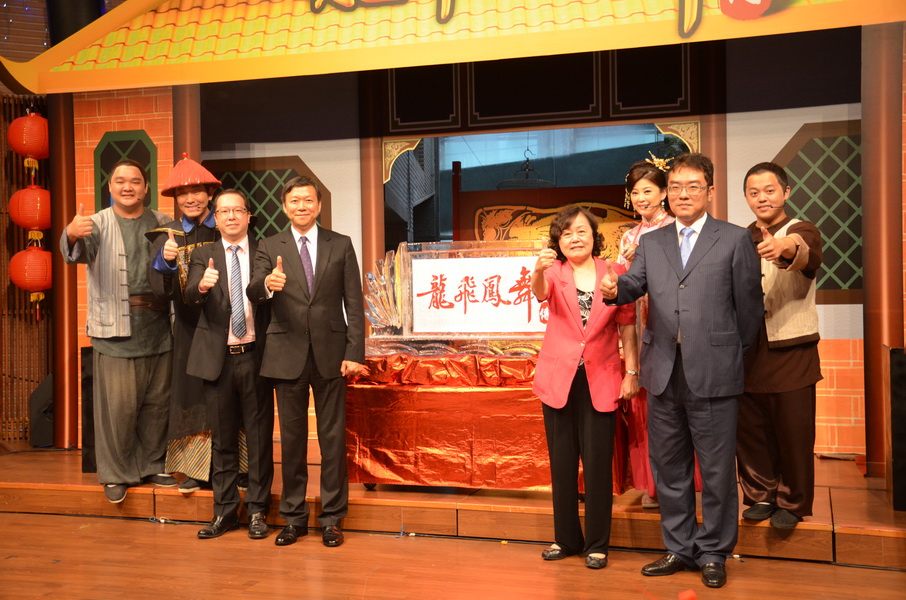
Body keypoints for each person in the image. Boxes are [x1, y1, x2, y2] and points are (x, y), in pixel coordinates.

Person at [600, 153, 762, 588]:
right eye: (675, 187)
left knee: (716, 471)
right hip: (662, 371)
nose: (683, 194)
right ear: (667, 194)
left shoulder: (733, 239)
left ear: (710, 190)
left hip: (715, 371)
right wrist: (615, 288)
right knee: (669, 467)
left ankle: (714, 552)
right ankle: (678, 547)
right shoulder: (652, 243)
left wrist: (730, 355)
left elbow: (749, 310)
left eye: (693, 186)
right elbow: (633, 284)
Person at [247, 175, 367, 548]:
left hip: (332, 354)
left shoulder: (340, 244)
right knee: (292, 442)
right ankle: (294, 518)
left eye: (308, 200)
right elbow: (253, 290)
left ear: (319, 205)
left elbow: (354, 303)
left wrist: (353, 353)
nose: (302, 206)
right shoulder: (270, 245)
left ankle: (332, 519)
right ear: (285, 207)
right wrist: (268, 284)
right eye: (295, 201)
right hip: (286, 354)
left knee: (332, 440)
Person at [60, 159, 176, 503]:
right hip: (115, 329)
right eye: (120, 181)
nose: (128, 187)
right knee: (118, 409)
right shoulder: (95, 223)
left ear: (146, 188)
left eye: (135, 181)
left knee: (157, 404)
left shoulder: (163, 222)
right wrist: (70, 233)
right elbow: (74, 254)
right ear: (110, 187)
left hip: (159, 327)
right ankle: (116, 473)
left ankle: (153, 464)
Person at [531, 205, 639, 570]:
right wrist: (537, 269)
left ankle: (597, 544)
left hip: (602, 377)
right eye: (566, 234)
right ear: (558, 241)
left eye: (581, 232)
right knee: (562, 465)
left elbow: (627, 326)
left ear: (594, 237)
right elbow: (540, 293)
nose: (574, 238)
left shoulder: (615, 272)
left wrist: (631, 372)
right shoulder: (552, 271)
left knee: (596, 466)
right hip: (558, 378)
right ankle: (566, 539)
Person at [736, 162, 823, 530]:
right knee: (751, 429)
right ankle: (760, 495)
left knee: (793, 430)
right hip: (747, 350)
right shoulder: (740, 237)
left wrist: (781, 246)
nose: (762, 198)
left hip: (791, 349)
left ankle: (793, 500)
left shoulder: (802, 229)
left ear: (786, 192)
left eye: (769, 191)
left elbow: (800, 250)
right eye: (754, 192)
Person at [184, 190, 275, 540]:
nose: (231, 216)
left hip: (256, 356)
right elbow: (189, 296)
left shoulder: (265, 251)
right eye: (224, 211)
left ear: (249, 216)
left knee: (259, 439)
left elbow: (266, 291)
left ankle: (257, 511)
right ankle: (224, 512)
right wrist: (202, 287)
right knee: (222, 441)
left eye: (238, 210)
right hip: (218, 360)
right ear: (216, 218)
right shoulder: (202, 254)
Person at [147, 154, 226, 494]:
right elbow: (159, 291)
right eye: (183, 193)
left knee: (228, 394)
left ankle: (233, 466)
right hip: (189, 329)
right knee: (193, 395)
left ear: (210, 193)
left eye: (197, 191)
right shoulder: (167, 235)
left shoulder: (226, 225)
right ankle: (196, 469)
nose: (190, 198)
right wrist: (165, 262)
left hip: (227, 325)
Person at [617, 158, 675, 510]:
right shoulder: (629, 236)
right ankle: (651, 486)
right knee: (644, 410)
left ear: (664, 193)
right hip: (638, 327)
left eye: (648, 191)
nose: (641, 198)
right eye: (636, 192)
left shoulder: (674, 229)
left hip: (667, 324)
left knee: (670, 409)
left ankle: (675, 484)